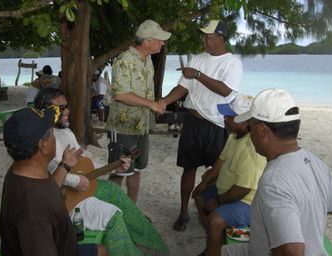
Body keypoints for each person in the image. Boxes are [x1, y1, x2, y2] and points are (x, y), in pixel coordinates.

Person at [35, 88, 169, 256]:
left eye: (66, 106)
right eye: (61, 108)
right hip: (64, 203)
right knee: (113, 217)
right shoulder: (43, 138)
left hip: (80, 191)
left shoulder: (66, 132)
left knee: (116, 193)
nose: (67, 111)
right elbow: (52, 171)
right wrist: (76, 181)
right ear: (45, 112)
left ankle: (147, 241)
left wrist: (114, 167)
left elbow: (86, 164)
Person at [222, 88, 332, 256]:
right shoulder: (316, 162)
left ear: (262, 131)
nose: (250, 134)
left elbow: (292, 252)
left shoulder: (274, 181)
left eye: (250, 128)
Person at [161, 20, 243, 231]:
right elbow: (182, 87)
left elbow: (225, 90)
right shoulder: (197, 59)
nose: (204, 41)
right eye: (203, 36)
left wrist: (197, 74)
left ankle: (212, 213)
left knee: (214, 173)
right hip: (193, 122)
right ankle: (183, 212)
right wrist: (163, 102)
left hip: (216, 125)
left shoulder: (232, 62)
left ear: (222, 38)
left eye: (209, 37)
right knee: (188, 170)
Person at [0, 107, 106, 256]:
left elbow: (46, 190)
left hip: (60, 244)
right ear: (42, 145)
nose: (55, 138)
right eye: (52, 133)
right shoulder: (34, 214)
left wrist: (65, 165)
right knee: (103, 251)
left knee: (102, 250)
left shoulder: (22, 168)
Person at [191, 94, 266, 256]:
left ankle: (214, 246)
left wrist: (217, 202)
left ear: (245, 121)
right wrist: (204, 184)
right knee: (199, 196)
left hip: (247, 202)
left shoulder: (250, 147)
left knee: (215, 220)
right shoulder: (234, 135)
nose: (224, 118)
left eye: (229, 116)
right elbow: (220, 161)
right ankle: (214, 245)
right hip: (227, 191)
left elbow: (243, 189)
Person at [105, 19, 171, 203]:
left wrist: (156, 104)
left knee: (137, 169)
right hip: (123, 126)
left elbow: (144, 92)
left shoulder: (147, 60)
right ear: (148, 41)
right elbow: (121, 94)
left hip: (141, 126)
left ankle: (132, 211)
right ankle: (109, 213)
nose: (163, 43)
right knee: (119, 170)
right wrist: (151, 105)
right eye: (160, 39)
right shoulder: (124, 60)